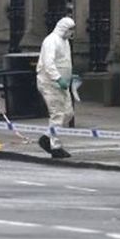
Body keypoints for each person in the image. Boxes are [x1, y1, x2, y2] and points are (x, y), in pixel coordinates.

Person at [35, 16, 76, 159]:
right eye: (70, 29)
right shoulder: (51, 41)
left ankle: (47, 138)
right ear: (64, 28)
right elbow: (49, 63)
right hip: (50, 83)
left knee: (68, 113)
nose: (72, 32)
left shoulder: (65, 42)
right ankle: (55, 147)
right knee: (57, 114)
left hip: (62, 84)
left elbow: (64, 62)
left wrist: (69, 76)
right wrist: (58, 78)